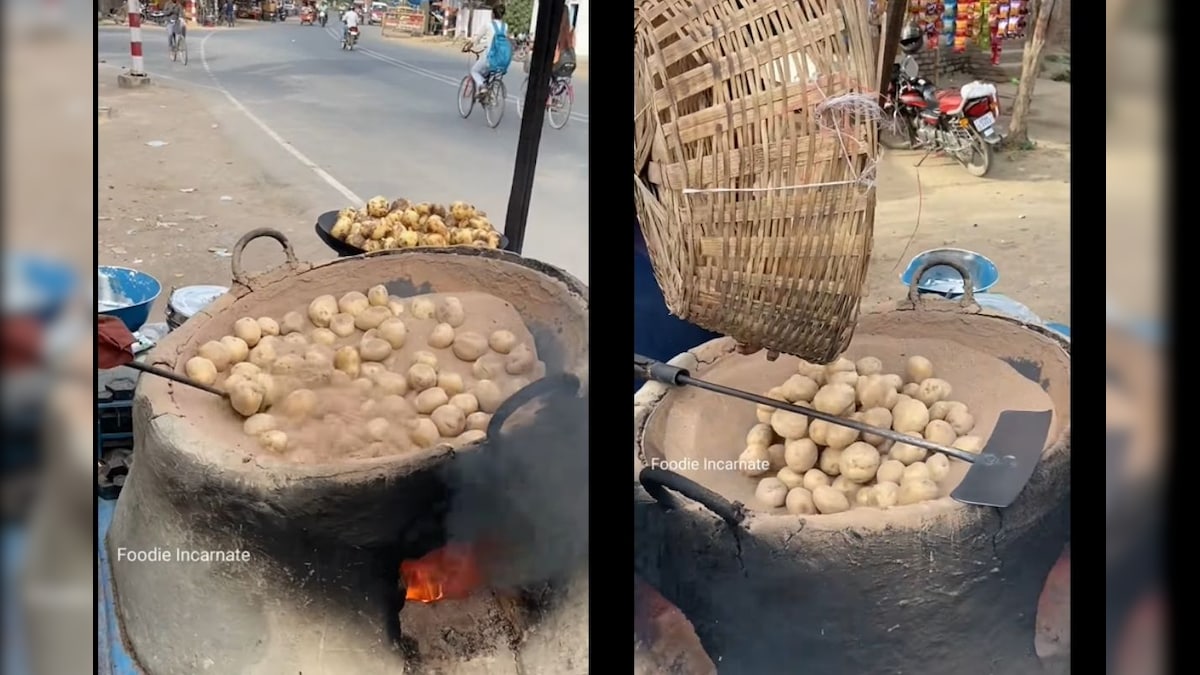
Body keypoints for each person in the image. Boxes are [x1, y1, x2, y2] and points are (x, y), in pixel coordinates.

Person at [467, 4, 509, 97]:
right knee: (492, 74)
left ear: (493, 14)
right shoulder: (505, 26)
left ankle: (482, 86)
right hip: (501, 58)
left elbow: (477, 38)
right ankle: (490, 96)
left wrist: (469, 46)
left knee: (474, 71)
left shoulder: (488, 25)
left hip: (490, 57)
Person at [552, 2, 575, 78]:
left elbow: (555, 57)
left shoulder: (557, 33)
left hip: (556, 70)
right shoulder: (570, 32)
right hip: (566, 69)